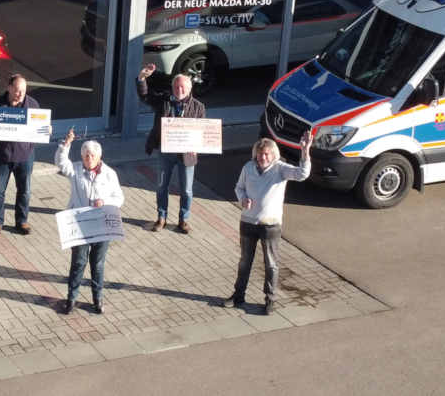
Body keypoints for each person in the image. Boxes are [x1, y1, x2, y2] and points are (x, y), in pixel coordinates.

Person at [223, 133, 312, 315]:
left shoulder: (280, 169)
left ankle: (270, 300)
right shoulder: (248, 168)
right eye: (260, 154)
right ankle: (238, 296)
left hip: (270, 225)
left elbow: (302, 174)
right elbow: (238, 187)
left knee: (271, 263)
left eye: (267, 154)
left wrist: (305, 151)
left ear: (273, 155)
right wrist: (243, 199)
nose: (263, 157)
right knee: (244, 262)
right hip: (248, 222)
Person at [54, 129, 124, 315]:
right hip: (80, 225)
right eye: (86, 155)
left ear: (99, 156)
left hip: (101, 225)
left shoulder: (109, 174)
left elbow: (119, 198)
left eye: (92, 155)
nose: (89, 158)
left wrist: (106, 202)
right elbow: (61, 163)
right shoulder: (76, 169)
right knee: (78, 262)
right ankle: (71, 299)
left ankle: (97, 299)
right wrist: (65, 144)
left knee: (98, 264)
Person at [137, 65, 206, 234]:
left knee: (187, 190)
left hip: (188, 154)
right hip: (166, 152)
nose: (179, 89)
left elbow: (203, 132)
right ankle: (161, 217)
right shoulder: (164, 101)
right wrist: (142, 78)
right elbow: (145, 96)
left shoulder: (199, 107)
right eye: (176, 86)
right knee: (162, 186)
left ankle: (184, 220)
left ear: (189, 88)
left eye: (182, 86)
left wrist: (197, 148)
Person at [0, 74, 40, 236]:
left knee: (24, 190)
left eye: (23, 91)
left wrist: (47, 129)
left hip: (25, 156)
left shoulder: (32, 105)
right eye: (17, 90)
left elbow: (40, 127)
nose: (19, 94)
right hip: (2, 156)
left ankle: (21, 222)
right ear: (9, 87)